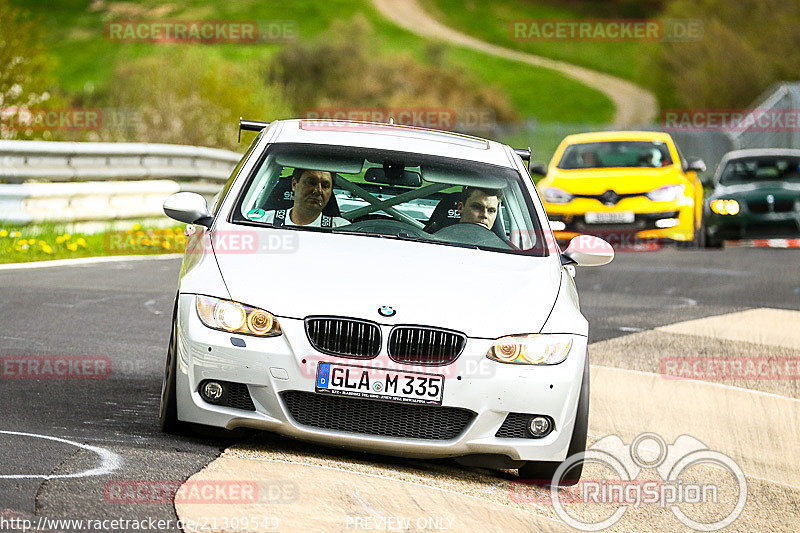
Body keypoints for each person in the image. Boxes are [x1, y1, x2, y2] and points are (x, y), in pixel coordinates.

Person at [257, 169, 348, 228]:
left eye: (325, 186)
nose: (318, 190)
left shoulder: (342, 228)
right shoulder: (263, 221)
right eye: (311, 183)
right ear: (294, 184)